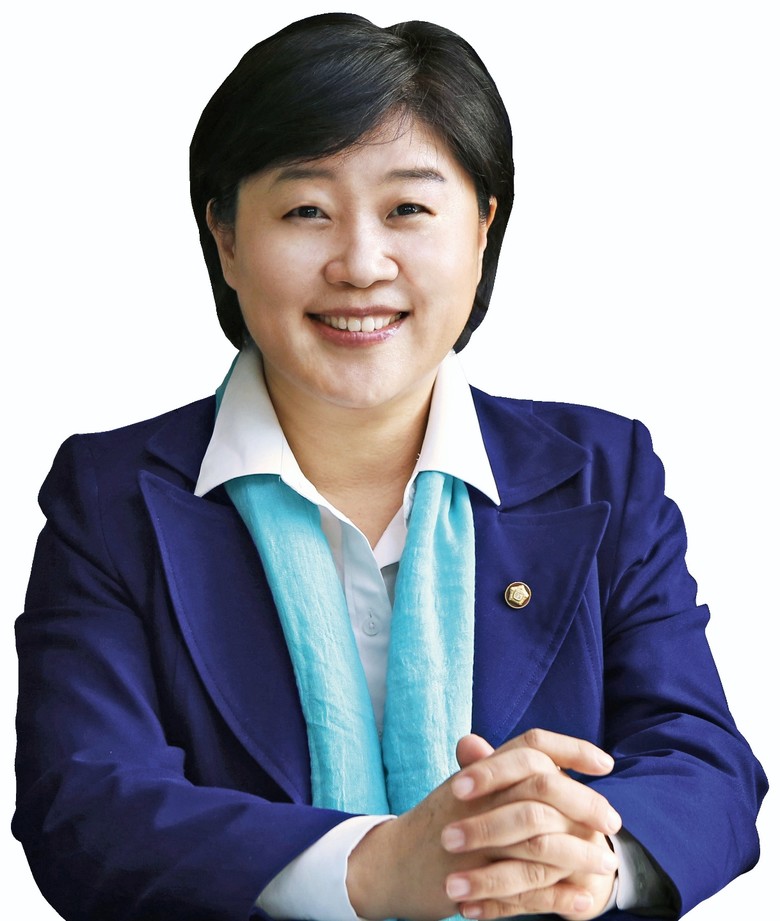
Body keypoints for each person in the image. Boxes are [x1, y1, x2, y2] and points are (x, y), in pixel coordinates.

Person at [12, 11, 766, 921]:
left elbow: (705, 763)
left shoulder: (605, 472)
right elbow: (83, 805)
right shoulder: (109, 496)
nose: (362, 265)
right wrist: (372, 868)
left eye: (409, 209)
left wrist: (593, 856)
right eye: (306, 211)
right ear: (226, 239)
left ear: (482, 229)